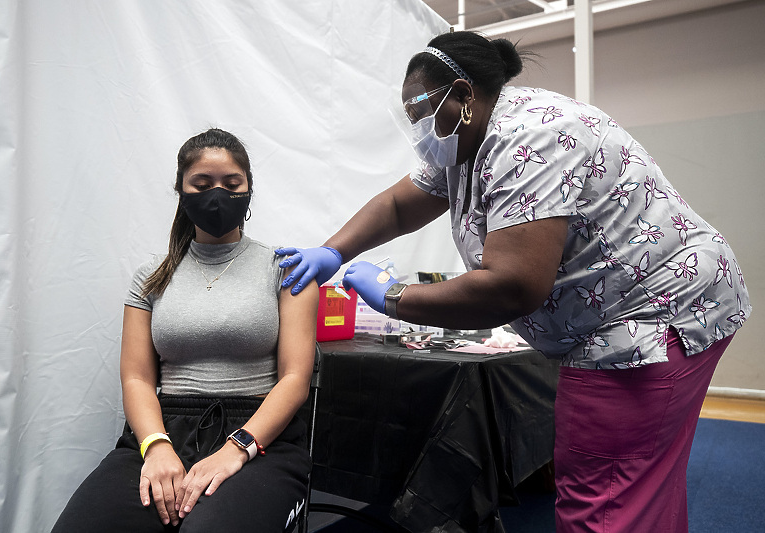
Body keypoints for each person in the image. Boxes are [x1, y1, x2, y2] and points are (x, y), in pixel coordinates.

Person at [276, 31, 751, 532]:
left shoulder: (529, 136)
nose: (416, 129)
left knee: (604, 497)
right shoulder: (466, 143)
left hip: (651, 318)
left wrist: (396, 296)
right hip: (643, 307)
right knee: (640, 483)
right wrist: (333, 250)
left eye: (420, 111)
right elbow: (399, 205)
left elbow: (512, 286)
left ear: (463, 95)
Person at [53, 128, 318, 533]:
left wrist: (238, 448)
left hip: (262, 437)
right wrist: (156, 448)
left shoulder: (286, 270)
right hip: (165, 430)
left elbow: (296, 378)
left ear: (249, 190)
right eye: (202, 184)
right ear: (181, 189)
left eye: (232, 184)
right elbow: (138, 377)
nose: (218, 194)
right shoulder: (151, 277)